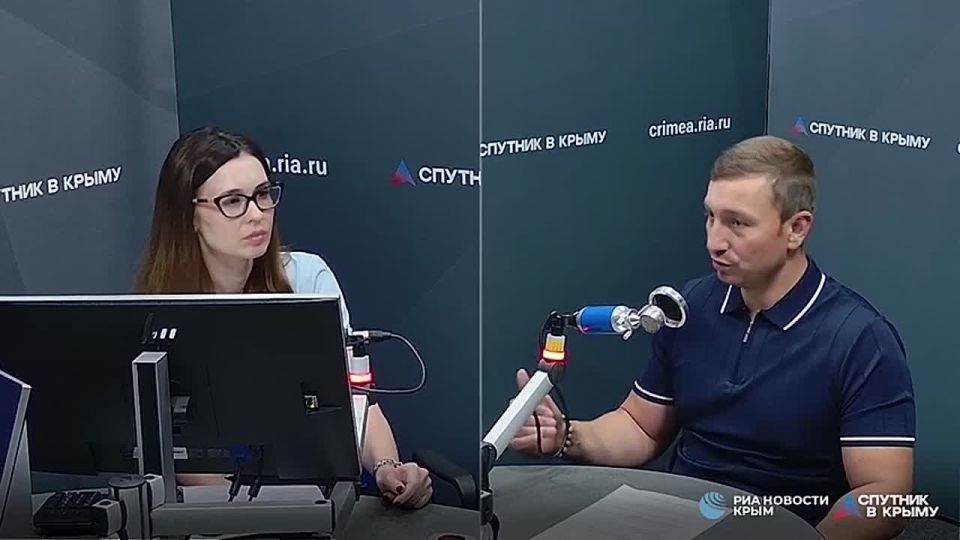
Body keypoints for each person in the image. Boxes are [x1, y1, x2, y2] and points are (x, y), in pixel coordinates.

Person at [509, 136, 915, 539]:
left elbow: (885, 496)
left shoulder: (860, 339)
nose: (714, 242)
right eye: (711, 217)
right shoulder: (691, 306)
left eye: (737, 223)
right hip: (674, 518)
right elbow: (640, 428)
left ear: (796, 229)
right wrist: (566, 436)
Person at [135, 127, 432, 508]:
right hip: (217, 511)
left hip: (319, 502)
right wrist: (256, 511)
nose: (256, 214)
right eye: (233, 201)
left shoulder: (307, 278)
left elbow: (356, 403)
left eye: (263, 195)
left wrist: (387, 468)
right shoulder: (159, 312)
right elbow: (175, 449)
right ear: (189, 214)